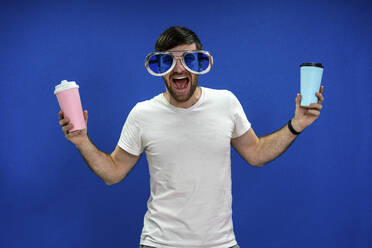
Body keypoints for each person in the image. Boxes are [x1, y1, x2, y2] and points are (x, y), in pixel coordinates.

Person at [58, 26, 324, 248]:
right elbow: (112, 172)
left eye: (187, 59)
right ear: (159, 67)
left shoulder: (226, 103)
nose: (178, 69)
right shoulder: (142, 114)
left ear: (200, 64)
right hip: (159, 243)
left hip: (221, 243)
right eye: (169, 61)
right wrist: (82, 140)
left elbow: (256, 153)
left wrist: (296, 124)